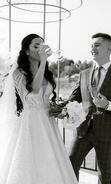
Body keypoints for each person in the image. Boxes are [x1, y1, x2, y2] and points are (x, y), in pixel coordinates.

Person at [0, 34, 78, 184]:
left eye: (43, 46)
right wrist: (43, 62)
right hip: (29, 123)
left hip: (47, 123)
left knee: (51, 159)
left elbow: (45, 99)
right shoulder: (18, 73)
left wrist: (59, 109)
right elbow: (35, 90)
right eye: (36, 46)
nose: (41, 49)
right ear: (27, 51)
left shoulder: (46, 73)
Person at [65, 33, 111, 184]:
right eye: (91, 46)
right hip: (83, 130)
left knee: (105, 174)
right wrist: (59, 107)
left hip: (107, 133)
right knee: (70, 165)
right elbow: (74, 98)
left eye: (97, 45)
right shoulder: (84, 73)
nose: (92, 48)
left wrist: (108, 105)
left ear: (109, 49)